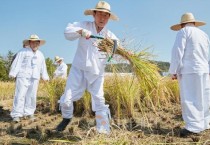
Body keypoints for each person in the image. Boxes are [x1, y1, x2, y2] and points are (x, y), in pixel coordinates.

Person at [56, 1, 119, 134]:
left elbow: (117, 47)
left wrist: (128, 54)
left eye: (106, 16)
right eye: (100, 14)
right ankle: (66, 118)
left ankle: (103, 129)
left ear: (108, 18)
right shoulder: (84, 25)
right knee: (67, 99)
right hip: (78, 69)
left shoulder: (109, 36)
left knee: (99, 100)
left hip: (97, 72)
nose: (102, 18)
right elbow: (67, 32)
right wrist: (81, 32)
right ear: (94, 14)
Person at [169, 12, 210, 137]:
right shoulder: (204, 34)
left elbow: (178, 51)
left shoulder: (183, 32)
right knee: (204, 97)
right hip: (204, 69)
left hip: (189, 70)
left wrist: (173, 71)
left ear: (182, 24)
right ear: (194, 22)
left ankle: (193, 127)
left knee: (190, 98)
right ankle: (205, 123)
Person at [9, 34, 49, 122]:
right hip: (23, 76)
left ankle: (29, 113)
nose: (35, 44)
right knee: (20, 94)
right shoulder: (22, 51)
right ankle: (16, 114)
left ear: (39, 44)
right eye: (33, 42)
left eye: (36, 43)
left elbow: (43, 66)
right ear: (29, 43)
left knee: (32, 95)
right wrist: (13, 73)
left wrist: (45, 76)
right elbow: (17, 62)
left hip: (35, 77)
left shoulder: (41, 54)